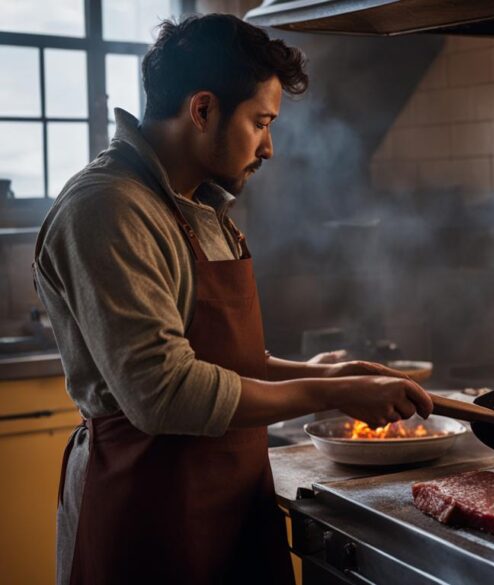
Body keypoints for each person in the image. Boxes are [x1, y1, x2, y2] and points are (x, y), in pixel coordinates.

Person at [32, 14, 431, 585]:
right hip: (145, 516)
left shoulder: (199, 205)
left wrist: (330, 373)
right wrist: (330, 391)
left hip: (230, 507)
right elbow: (164, 392)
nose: (269, 147)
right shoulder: (109, 209)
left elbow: (222, 364)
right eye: (260, 122)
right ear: (202, 110)